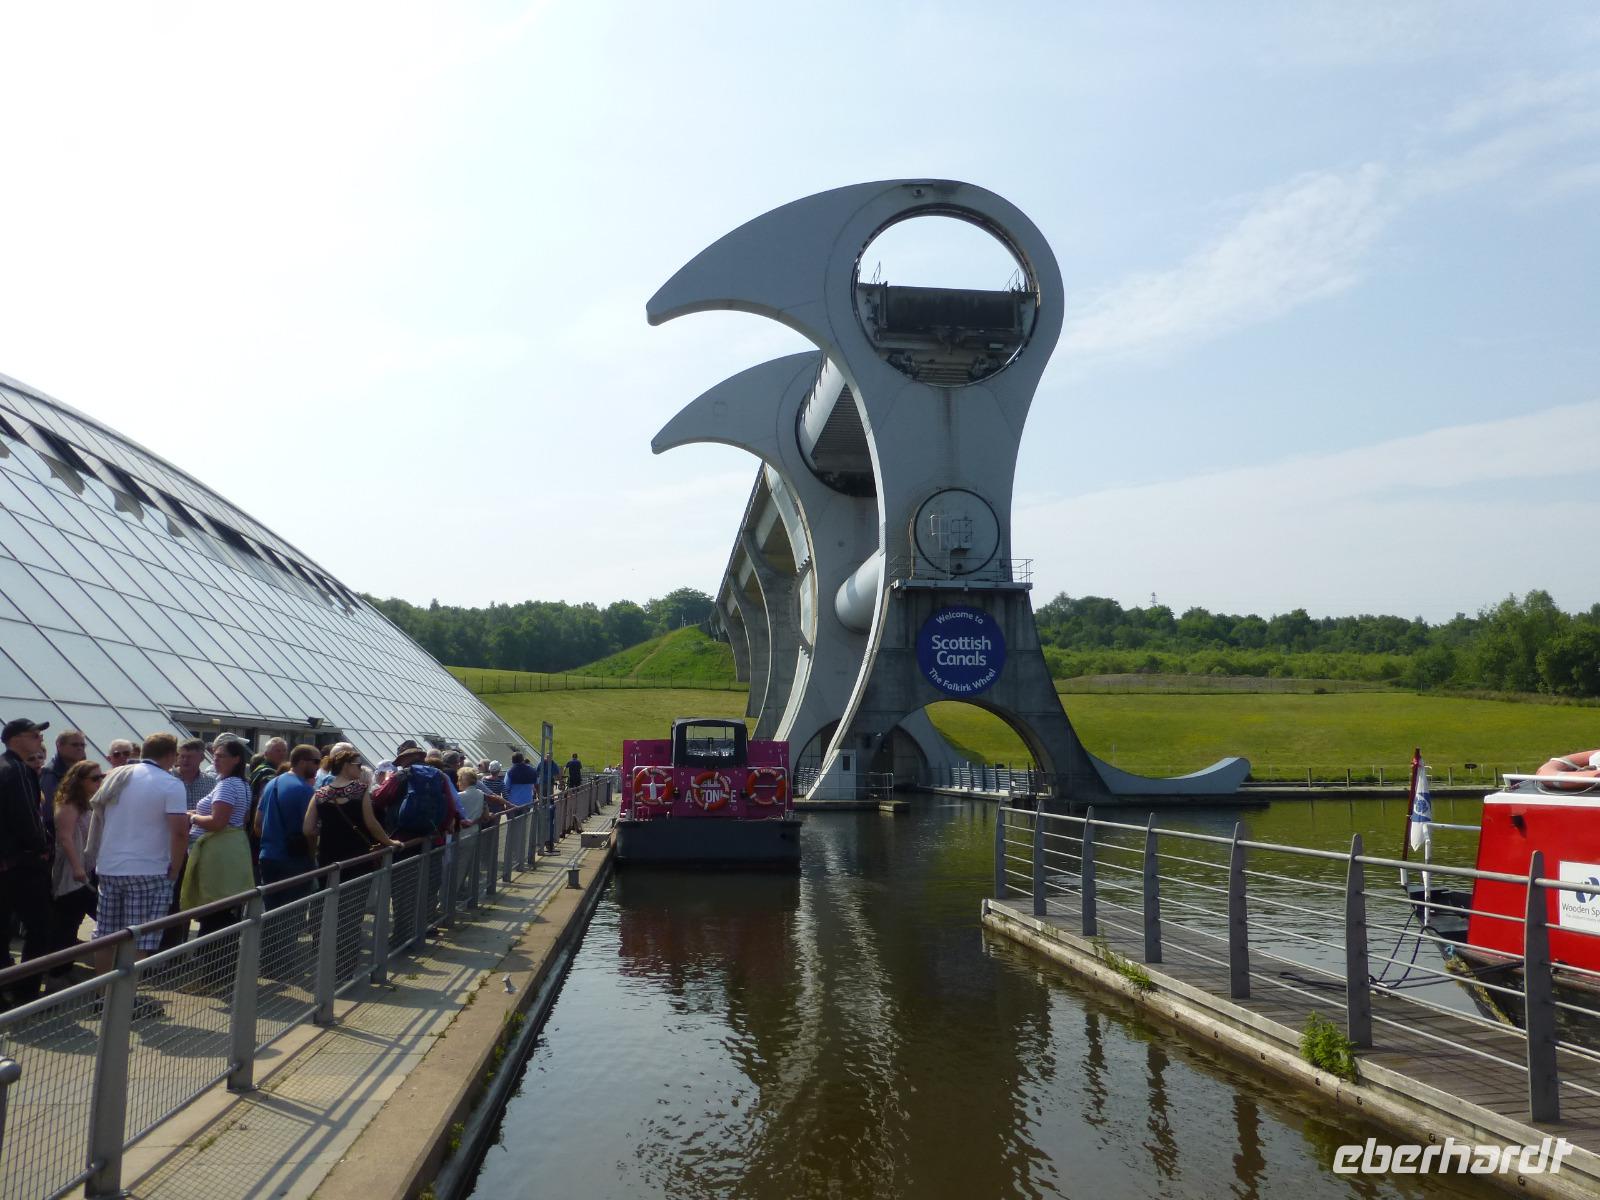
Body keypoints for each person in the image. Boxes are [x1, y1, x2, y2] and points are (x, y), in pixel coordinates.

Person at [92, 732, 189, 972]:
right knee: (140, 939)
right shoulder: (171, 784)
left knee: (105, 936)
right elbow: (179, 832)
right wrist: (175, 868)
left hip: (110, 866)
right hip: (149, 869)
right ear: (171, 755)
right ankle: (127, 993)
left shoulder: (117, 776)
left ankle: (102, 991)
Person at [0, 717, 55, 1002]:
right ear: (16, 739)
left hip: (7, 863)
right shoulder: (18, 770)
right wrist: (42, 846)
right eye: (34, 735)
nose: (40, 739)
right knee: (40, 927)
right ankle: (26, 992)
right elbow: (27, 817)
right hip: (22, 865)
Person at [181, 738, 254, 938]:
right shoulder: (243, 784)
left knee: (213, 905)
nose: (216, 760)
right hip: (232, 847)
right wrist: (196, 813)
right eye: (215, 756)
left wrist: (191, 818)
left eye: (222, 756)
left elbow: (217, 822)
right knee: (223, 905)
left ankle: (210, 951)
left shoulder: (227, 785)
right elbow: (243, 817)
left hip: (217, 851)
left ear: (236, 759)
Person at [304, 747, 396, 872]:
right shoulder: (360, 790)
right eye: (358, 765)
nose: (360, 768)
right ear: (346, 766)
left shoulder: (319, 794)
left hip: (327, 858)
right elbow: (371, 823)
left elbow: (308, 830)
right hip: (357, 858)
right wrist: (390, 842)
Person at [50, 759, 102, 960]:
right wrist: (77, 867)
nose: (99, 782)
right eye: (95, 778)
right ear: (79, 780)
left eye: (101, 777)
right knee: (68, 919)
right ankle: (58, 968)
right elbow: (65, 837)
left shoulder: (87, 802)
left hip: (87, 868)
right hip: (72, 871)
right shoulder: (68, 803)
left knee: (74, 918)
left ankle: (64, 963)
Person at [257, 745, 319, 902]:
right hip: (294, 860)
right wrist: (312, 857)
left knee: (271, 911)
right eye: (316, 762)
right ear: (303, 762)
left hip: (268, 856)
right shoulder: (305, 790)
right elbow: (310, 831)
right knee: (293, 912)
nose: (318, 766)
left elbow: (257, 823)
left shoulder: (272, 783)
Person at [41, 728, 88, 808]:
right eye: (75, 745)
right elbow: (49, 807)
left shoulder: (82, 771)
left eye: (82, 745)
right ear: (59, 746)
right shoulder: (50, 773)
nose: (80, 748)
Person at [172, 737, 217, 810]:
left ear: (202, 758)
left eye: (190, 757)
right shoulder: (168, 779)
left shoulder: (210, 783)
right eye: (182, 756)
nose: (185, 760)